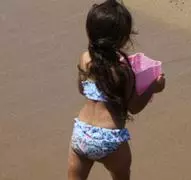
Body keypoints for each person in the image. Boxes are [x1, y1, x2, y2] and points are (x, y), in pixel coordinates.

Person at [67, 1, 165, 180]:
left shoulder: (85, 59)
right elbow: (134, 107)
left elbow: (82, 89)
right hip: (109, 138)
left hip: (81, 133)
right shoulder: (123, 71)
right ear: (124, 38)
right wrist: (153, 87)